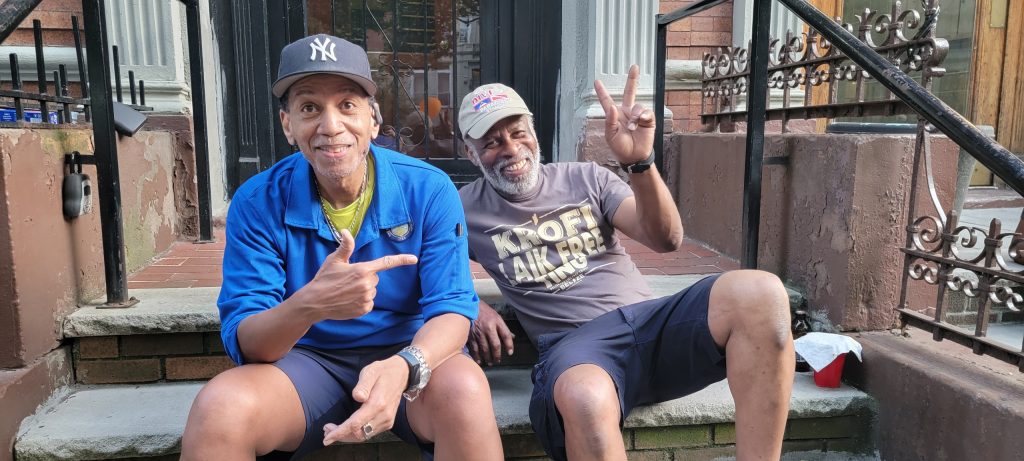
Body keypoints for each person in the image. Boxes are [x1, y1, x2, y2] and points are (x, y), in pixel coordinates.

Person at [181, 34, 503, 461]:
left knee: (465, 390)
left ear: (373, 120)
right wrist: (311, 304)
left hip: (408, 354)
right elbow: (249, 341)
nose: (331, 126)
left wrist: (405, 365)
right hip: (305, 365)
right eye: (309, 107)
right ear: (288, 125)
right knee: (220, 408)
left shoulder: (428, 189)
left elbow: (453, 309)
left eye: (347, 105)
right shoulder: (257, 201)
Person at [457, 65, 795, 461]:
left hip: (650, 322)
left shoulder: (587, 179)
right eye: (492, 142)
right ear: (470, 153)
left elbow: (665, 238)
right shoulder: (464, 208)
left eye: (517, 133)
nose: (511, 149)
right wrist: (469, 301)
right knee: (584, 396)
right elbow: (425, 262)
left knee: (761, 292)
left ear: (533, 133)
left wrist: (641, 164)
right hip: (578, 348)